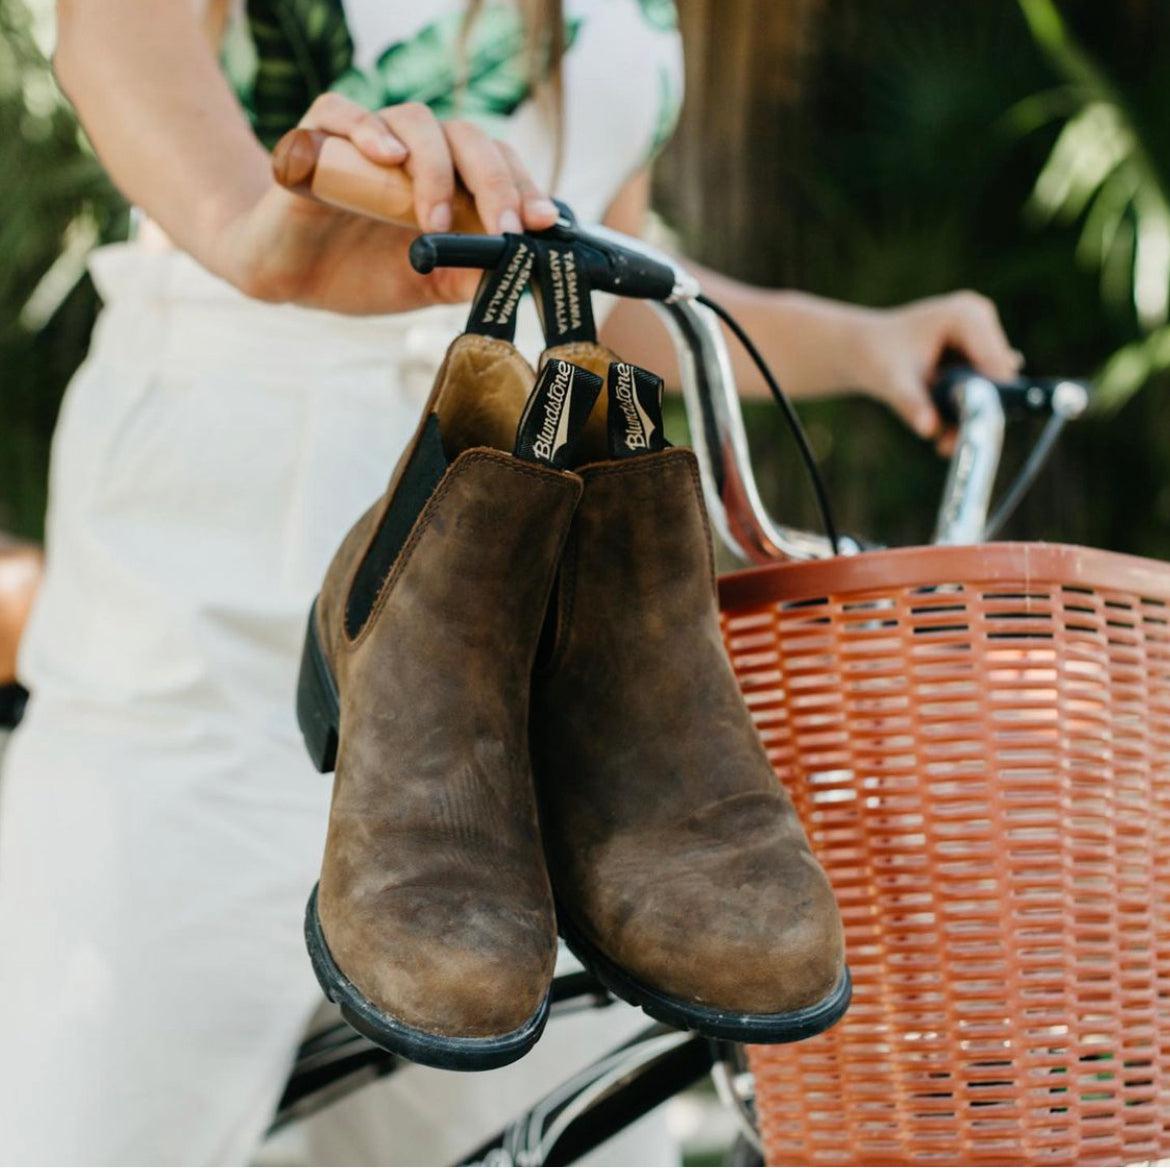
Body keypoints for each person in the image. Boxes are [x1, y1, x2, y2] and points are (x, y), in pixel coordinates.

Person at [0, 1, 1023, 1164]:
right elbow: (115, 29)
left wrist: (864, 344)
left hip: (510, 661)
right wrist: (246, 226)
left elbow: (610, 293)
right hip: (206, 619)